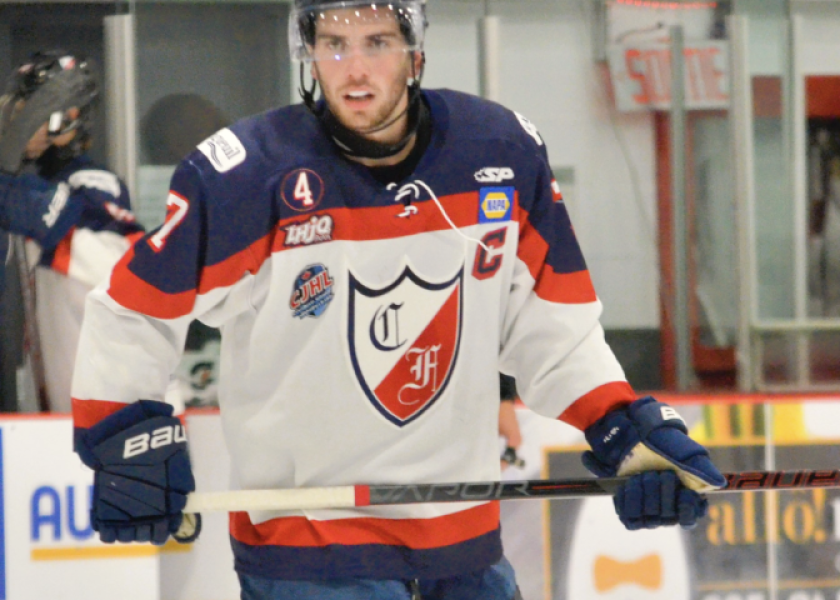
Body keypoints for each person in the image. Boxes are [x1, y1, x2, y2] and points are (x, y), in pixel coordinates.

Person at [69, 2, 726, 599]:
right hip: (311, 551)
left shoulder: (498, 152)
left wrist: (621, 423)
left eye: (376, 41)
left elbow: (551, 329)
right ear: (309, 54)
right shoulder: (247, 177)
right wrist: (125, 435)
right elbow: (132, 308)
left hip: (462, 543)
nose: (354, 70)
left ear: (415, 52)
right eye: (333, 44)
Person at [0, 50, 144, 412]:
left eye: (27, 109)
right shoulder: (27, 182)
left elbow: (42, 215)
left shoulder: (93, 181)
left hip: (114, 405)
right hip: (53, 404)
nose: (17, 119)